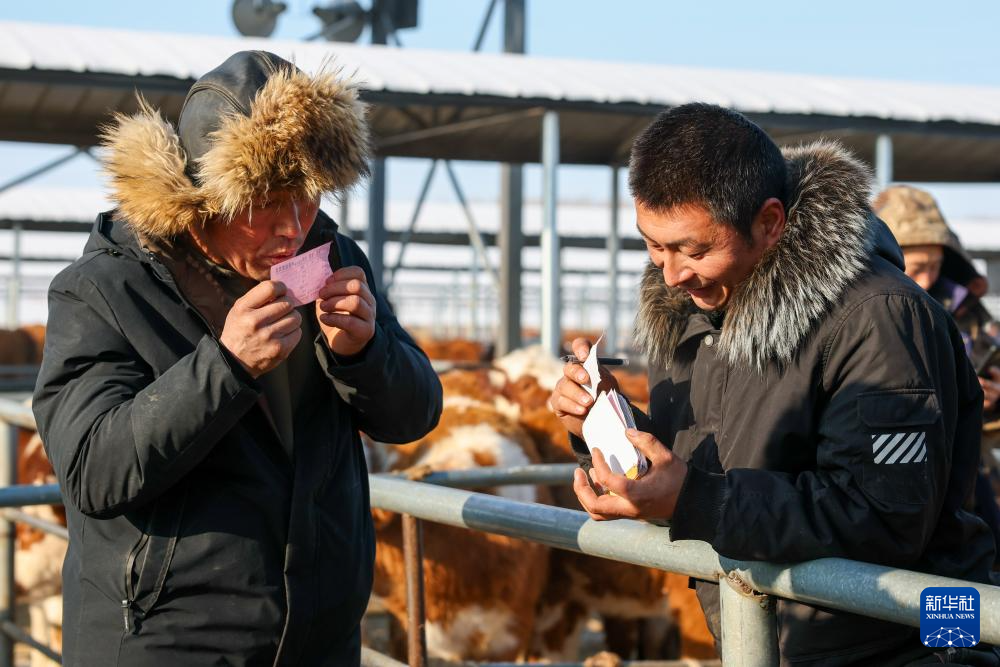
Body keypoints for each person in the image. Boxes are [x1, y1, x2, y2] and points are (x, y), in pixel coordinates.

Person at [32, 51, 442, 666]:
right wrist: (224, 368)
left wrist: (365, 351)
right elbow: (93, 471)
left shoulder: (333, 256)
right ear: (205, 199)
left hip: (318, 638)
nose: (294, 226)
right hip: (171, 642)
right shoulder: (105, 289)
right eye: (267, 203)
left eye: (307, 197)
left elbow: (414, 416)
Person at [547, 103, 995, 666]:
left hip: (897, 647)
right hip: (765, 636)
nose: (670, 273)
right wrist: (609, 426)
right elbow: (711, 463)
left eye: (694, 249)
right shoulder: (692, 310)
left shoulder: (881, 318)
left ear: (769, 223)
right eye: (653, 245)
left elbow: (886, 518)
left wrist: (692, 498)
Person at [875, 184, 1000, 567]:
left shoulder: (970, 315)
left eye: (934, 265)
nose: (927, 281)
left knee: (958, 614)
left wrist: (990, 403)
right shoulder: (865, 314)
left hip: (971, 493)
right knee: (898, 605)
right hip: (894, 500)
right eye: (915, 268)